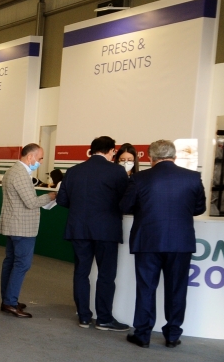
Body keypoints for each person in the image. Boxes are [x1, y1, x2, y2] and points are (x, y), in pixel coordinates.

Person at [120, 140, 206, 348]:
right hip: (180, 242)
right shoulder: (193, 177)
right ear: (174, 157)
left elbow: (125, 206)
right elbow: (199, 208)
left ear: (151, 158)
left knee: (146, 288)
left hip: (148, 241)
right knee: (177, 289)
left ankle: (143, 334)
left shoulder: (139, 178)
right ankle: (173, 335)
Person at [56, 136, 129, 330]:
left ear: (92, 150)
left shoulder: (73, 171)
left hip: (79, 229)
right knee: (106, 274)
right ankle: (104, 318)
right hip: (107, 230)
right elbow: (126, 200)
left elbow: (62, 200)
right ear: (111, 151)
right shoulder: (117, 171)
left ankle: (84, 317)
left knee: (81, 272)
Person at [0, 143, 56, 317]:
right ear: (30, 156)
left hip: (13, 225)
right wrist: (51, 196)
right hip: (21, 228)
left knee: (11, 262)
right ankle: (10, 302)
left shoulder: (12, 171)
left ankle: (8, 299)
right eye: (40, 158)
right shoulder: (20, 174)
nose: (40, 162)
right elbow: (31, 202)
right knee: (22, 264)